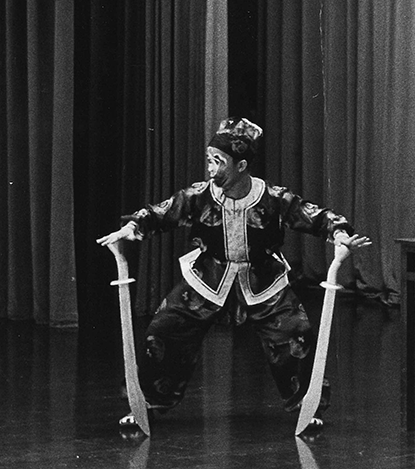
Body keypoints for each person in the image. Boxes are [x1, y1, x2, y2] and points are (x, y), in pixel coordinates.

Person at [97, 117, 370, 430]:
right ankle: (146, 403)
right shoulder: (199, 195)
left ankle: (307, 407)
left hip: (263, 281)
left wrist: (339, 233)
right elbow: (162, 211)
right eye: (209, 161)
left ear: (241, 165)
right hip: (207, 279)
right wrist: (133, 226)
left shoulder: (274, 197)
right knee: (164, 329)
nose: (211, 169)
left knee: (297, 332)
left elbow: (314, 216)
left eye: (219, 162)